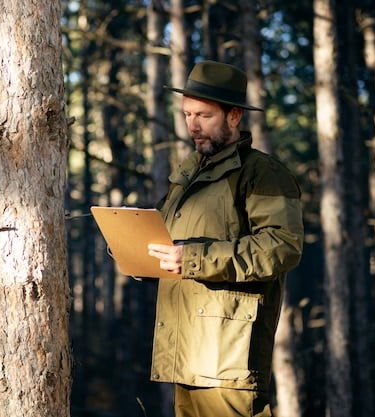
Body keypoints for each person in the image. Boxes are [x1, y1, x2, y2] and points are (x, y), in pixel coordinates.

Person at [146, 60, 304, 417]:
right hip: (185, 352)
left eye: (204, 115)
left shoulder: (262, 173)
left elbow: (282, 247)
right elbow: (166, 240)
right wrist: (130, 246)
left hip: (228, 359)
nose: (192, 125)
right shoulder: (187, 175)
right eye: (187, 115)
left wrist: (193, 259)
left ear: (234, 116)